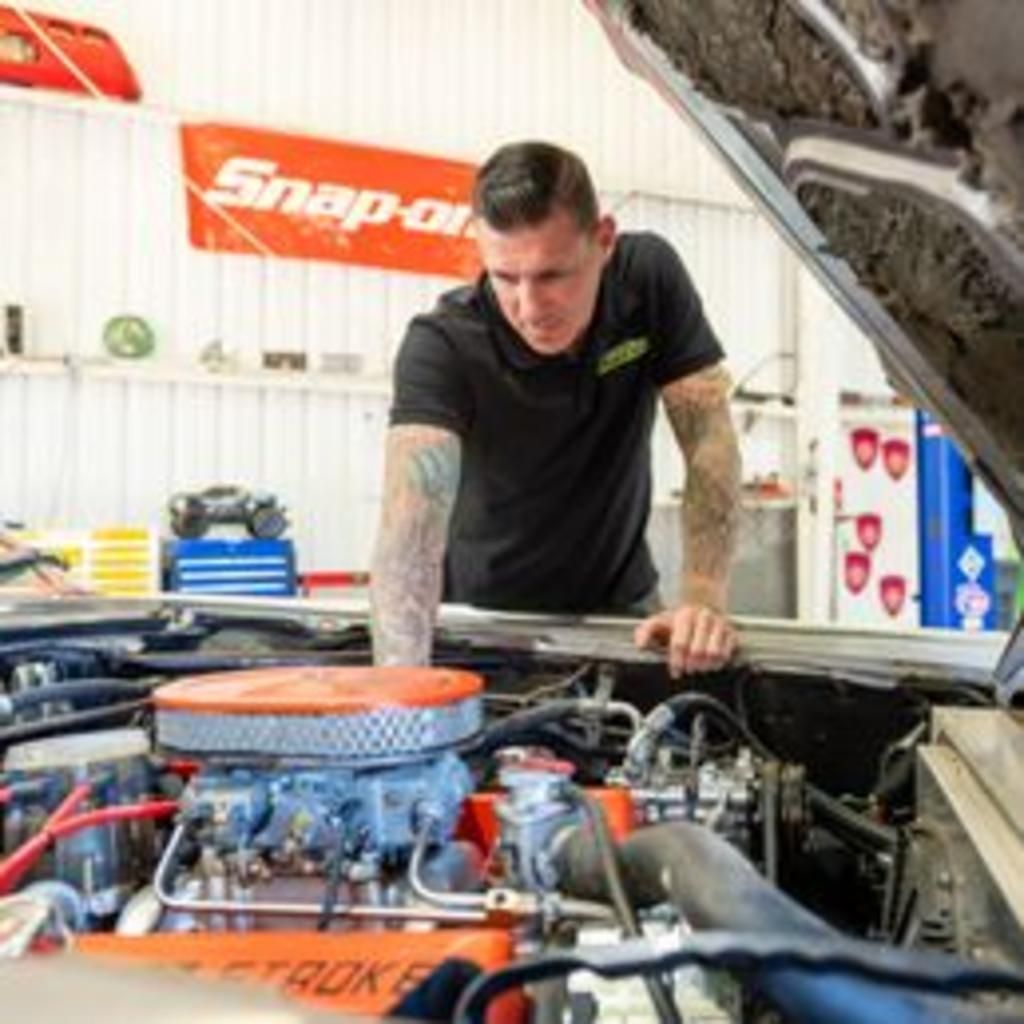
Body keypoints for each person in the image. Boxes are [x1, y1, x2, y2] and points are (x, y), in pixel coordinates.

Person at [370, 141, 741, 677]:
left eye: (551, 276)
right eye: (505, 277)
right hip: (481, 620)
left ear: (604, 241)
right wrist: (400, 693)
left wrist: (703, 598)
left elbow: (708, 434)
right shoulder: (442, 345)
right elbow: (408, 533)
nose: (529, 306)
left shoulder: (647, 282)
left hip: (623, 617)